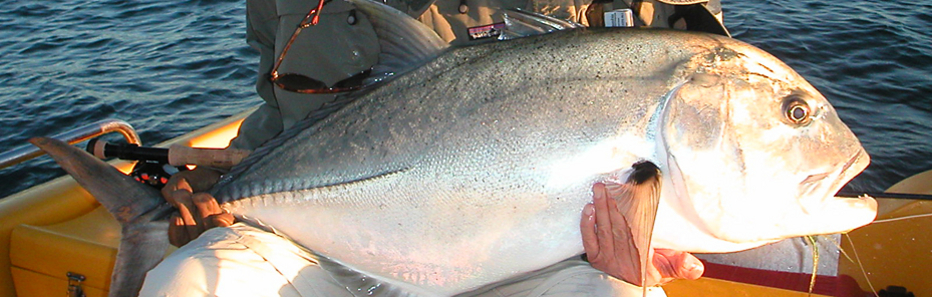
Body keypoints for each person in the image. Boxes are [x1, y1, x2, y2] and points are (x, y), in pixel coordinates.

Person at [142, 0, 725, 295]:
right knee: (190, 283)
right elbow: (280, 103)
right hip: (329, 246)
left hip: (539, 259)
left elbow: (700, 121)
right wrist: (221, 189)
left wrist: (660, 231)